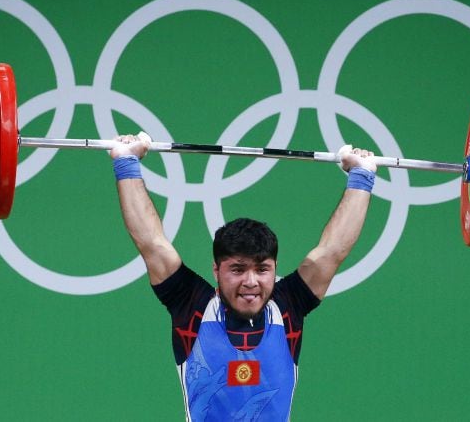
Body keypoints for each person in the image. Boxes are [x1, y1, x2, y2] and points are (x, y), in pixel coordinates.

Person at [110, 133, 376, 421]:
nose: (251, 282)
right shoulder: (193, 307)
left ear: (275, 269)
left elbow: (332, 251)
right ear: (217, 270)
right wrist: (126, 161)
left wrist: (361, 176)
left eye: (262, 269)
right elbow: (151, 243)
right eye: (238, 269)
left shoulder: (287, 306)